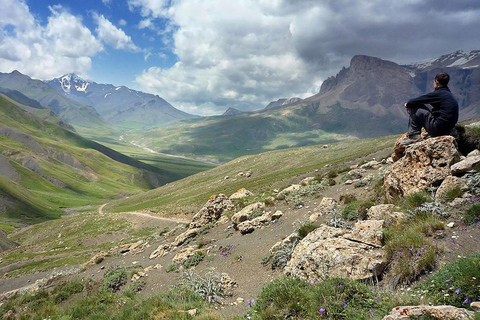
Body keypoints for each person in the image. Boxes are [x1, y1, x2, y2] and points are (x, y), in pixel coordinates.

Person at [401, 72, 459, 145]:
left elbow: (413, 101)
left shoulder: (439, 94)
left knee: (415, 107)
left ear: (436, 82)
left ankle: (414, 135)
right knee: (422, 104)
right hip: (448, 129)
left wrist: (408, 105)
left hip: (438, 130)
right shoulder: (448, 94)